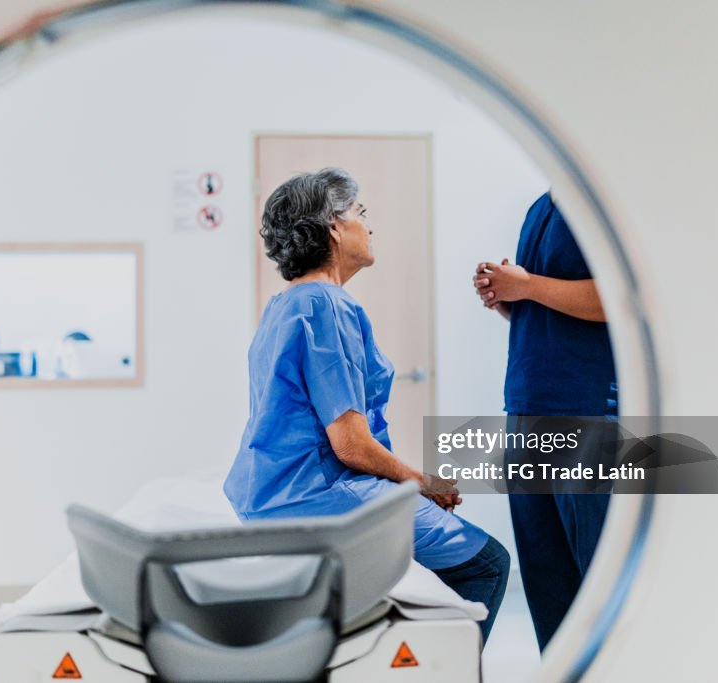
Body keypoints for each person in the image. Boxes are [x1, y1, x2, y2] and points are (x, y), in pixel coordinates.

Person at [225, 168, 509, 643]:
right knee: (487, 564)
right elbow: (351, 445)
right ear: (333, 226)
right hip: (319, 497)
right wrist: (424, 483)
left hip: (268, 497)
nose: (368, 226)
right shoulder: (326, 305)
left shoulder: (285, 304)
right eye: (360, 213)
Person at [472, 190, 617, 651]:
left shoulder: (604, 196)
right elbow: (550, 310)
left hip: (587, 410)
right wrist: (507, 298)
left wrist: (528, 285)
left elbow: (617, 299)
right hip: (527, 406)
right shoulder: (541, 205)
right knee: (547, 581)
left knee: (599, 584)